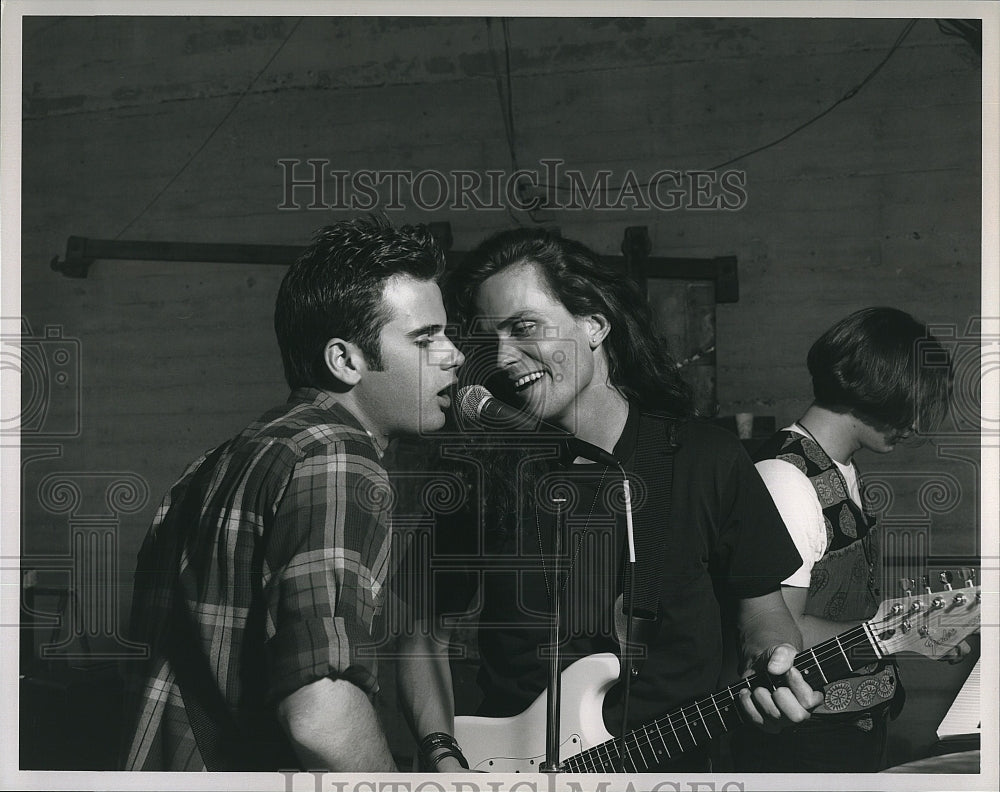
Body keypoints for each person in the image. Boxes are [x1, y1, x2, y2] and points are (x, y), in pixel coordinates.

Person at [394, 227, 823, 773]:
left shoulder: (706, 459)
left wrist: (771, 664)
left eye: (523, 327)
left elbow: (763, 613)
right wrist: (441, 752)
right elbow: (419, 630)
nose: (503, 357)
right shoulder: (478, 470)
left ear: (594, 323)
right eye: (488, 338)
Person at [122, 216, 464, 771]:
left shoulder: (222, 459)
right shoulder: (338, 460)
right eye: (426, 338)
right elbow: (321, 715)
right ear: (346, 360)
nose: (454, 354)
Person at [731, 306, 954, 772]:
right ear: (871, 386)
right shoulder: (786, 480)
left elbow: (837, 603)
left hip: (847, 728)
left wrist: (916, 622)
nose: (915, 424)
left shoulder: (837, 466)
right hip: (803, 739)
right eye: (908, 404)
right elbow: (781, 635)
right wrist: (901, 634)